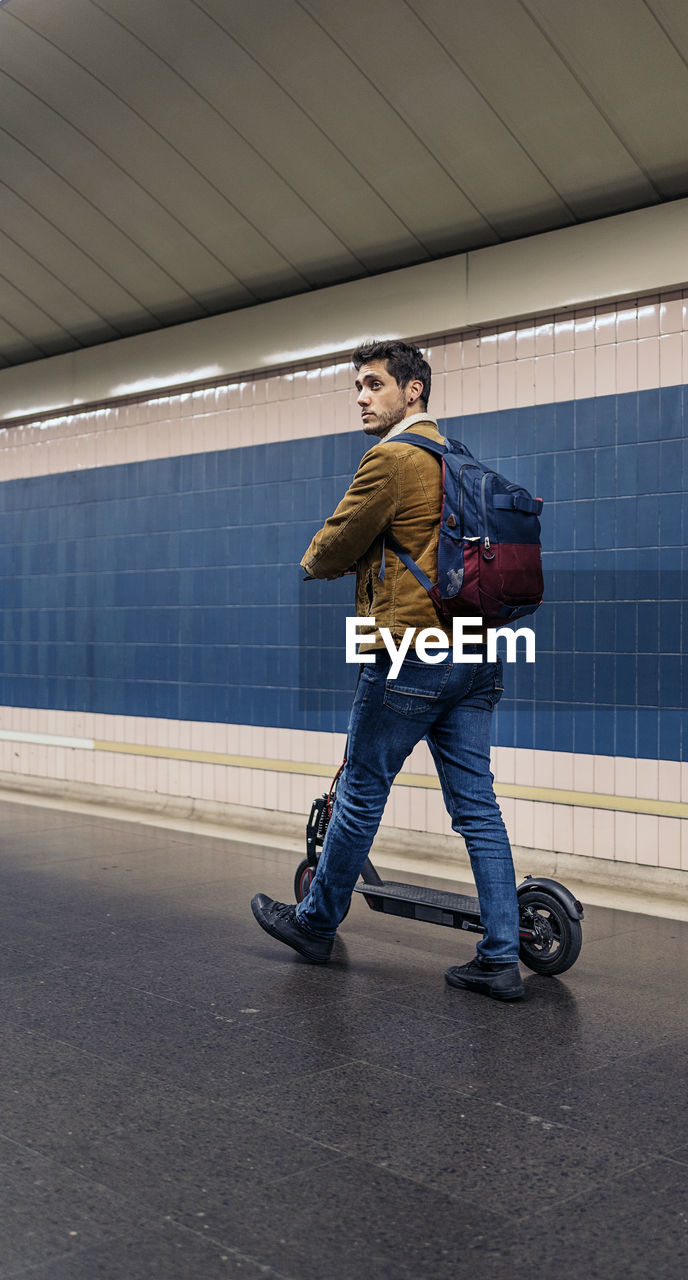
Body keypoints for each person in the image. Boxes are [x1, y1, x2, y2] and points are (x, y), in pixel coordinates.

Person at [251, 340, 523, 1000]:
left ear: (413, 392)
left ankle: (315, 923)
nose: (361, 397)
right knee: (477, 808)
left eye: (374, 384)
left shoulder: (391, 459)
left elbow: (325, 550)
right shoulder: (461, 463)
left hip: (409, 655)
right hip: (476, 654)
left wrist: (336, 558)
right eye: (357, 386)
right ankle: (501, 956)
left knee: (361, 793)